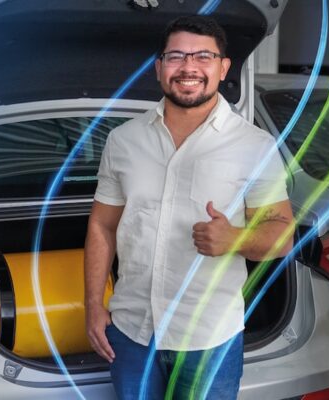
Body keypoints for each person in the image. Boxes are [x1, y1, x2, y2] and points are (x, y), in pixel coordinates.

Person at [83, 15, 295, 400]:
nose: (189, 67)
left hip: (209, 338)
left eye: (203, 56)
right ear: (159, 67)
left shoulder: (254, 146)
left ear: (223, 68)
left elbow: (282, 235)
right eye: (177, 56)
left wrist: (235, 239)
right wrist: (93, 305)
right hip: (131, 332)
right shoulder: (123, 140)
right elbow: (102, 226)